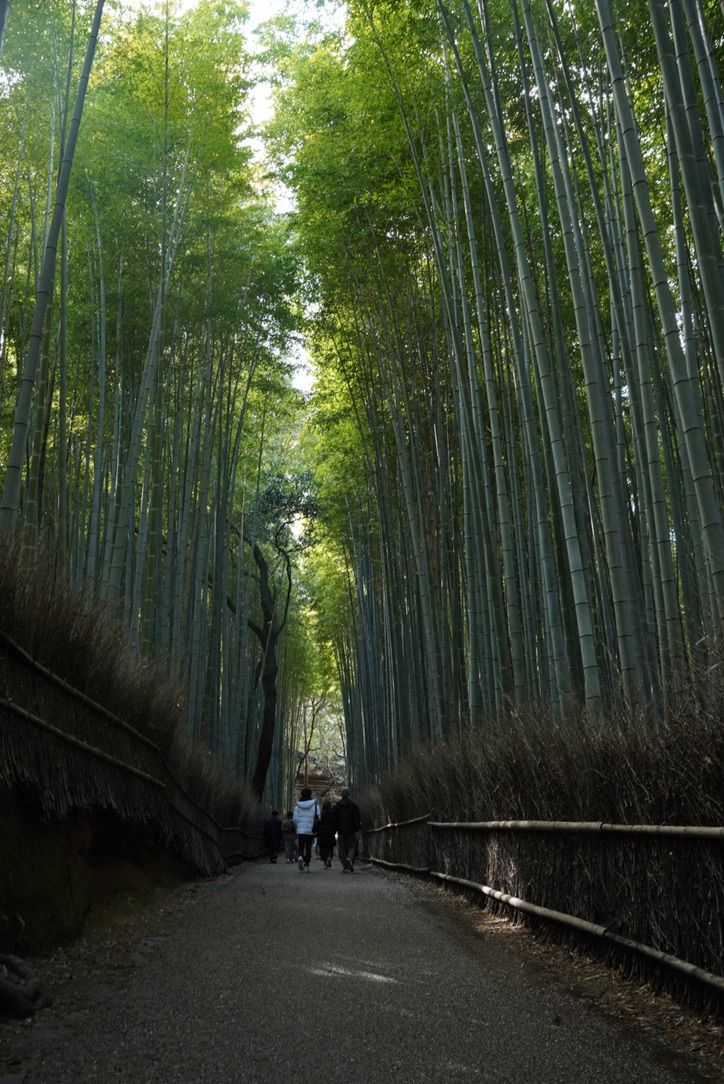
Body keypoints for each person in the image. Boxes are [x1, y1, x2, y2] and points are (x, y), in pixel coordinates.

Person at [334, 786, 361, 872]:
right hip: (351, 829)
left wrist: (335, 828)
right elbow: (356, 818)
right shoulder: (353, 805)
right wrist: (357, 827)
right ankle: (350, 857)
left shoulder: (337, 806)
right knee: (352, 846)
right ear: (349, 794)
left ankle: (345, 866)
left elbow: (334, 818)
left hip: (341, 830)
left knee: (342, 847)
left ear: (341, 794)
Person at [293, 787, 319, 872]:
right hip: (310, 830)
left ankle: (300, 856)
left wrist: (297, 828)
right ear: (310, 794)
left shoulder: (298, 806)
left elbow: (295, 819)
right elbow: (318, 818)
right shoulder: (315, 805)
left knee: (301, 845)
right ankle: (307, 865)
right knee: (308, 847)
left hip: (301, 830)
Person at [315, 799, 337, 868]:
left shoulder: (321, 814)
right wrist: (335, 830)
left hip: (322, 833)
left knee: (323, 848)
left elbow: (317, 823)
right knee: (330, 847)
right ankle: (329, 856)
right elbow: (335, 823)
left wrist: (316, 831)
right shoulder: (333, 814)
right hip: (330, 833)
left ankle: (325, 862)